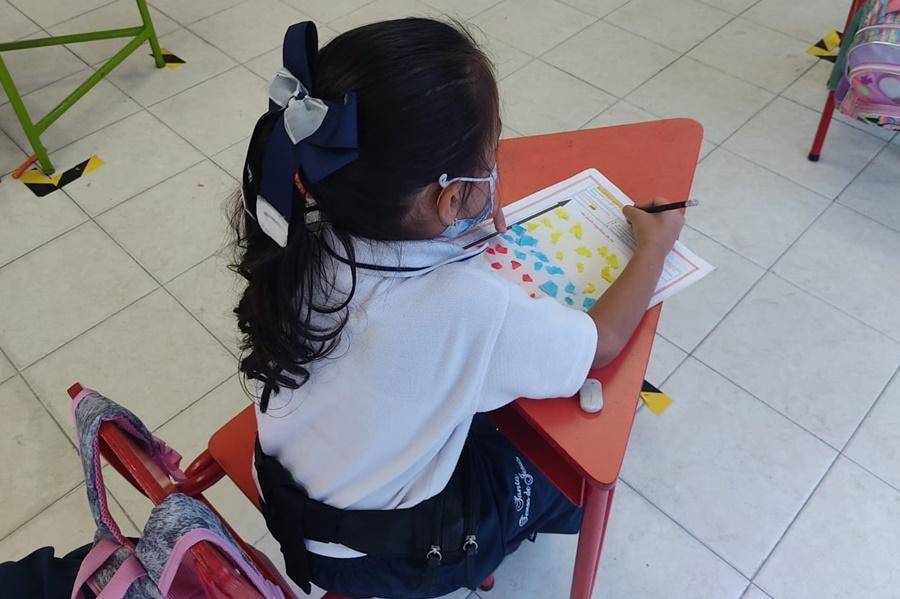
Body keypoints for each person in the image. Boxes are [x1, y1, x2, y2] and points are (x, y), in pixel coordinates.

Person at [232, 17, 684, 599]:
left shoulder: (304, 225)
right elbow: (602, 343)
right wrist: (654, 246)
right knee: (566, 477)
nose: (496, 170)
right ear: (448, 198)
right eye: (490, 158)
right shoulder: (469, 306)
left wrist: (460, 224)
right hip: (377, 553)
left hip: (289, 491)